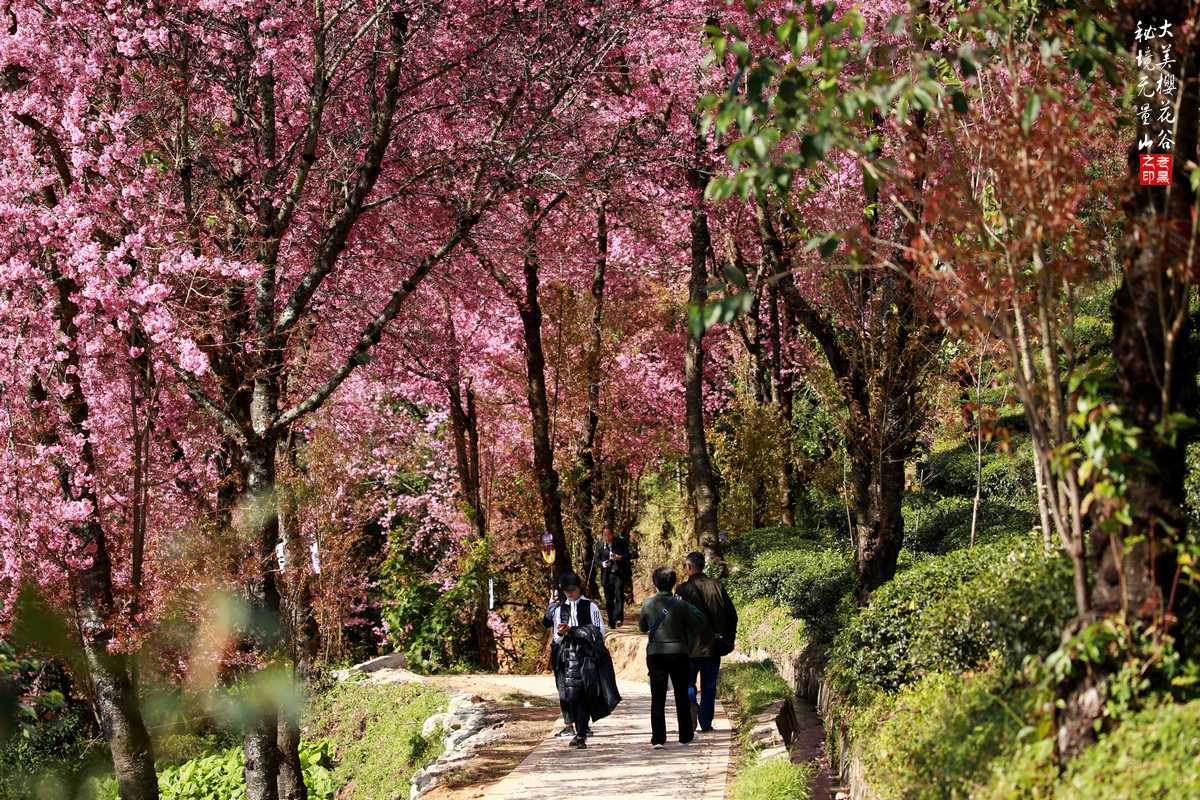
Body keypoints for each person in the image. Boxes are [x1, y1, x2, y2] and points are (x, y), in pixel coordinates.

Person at [638, 566, 707, 748]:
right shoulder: (680, 604)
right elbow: (694, 625)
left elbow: (642, 628)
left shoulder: (647, 604)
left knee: (657, 697)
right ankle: (685, 736)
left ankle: (658, 739)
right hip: (679, 653)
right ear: (673, 584)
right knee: (681, 695)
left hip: (656, 655)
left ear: (655, 583)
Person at [675, 551, 737, 734]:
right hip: (713, 647)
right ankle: (705, 723)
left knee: (687, 682)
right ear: (703, 566)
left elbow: (676, 618)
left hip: (690, 648)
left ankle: (692, 703)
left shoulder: (683, 590)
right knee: (709, 686)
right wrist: (730, 638)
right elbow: (732, 614)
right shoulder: (717, 585)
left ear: (688, 567)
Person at [542, 571, 604, 746]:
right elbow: (557, 638)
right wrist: (562, 632)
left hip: (586, 656)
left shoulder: (590, 606)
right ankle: (579, 732)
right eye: (567, 590)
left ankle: (581, 735)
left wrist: (573, 630)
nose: (570, 593)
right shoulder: (559, 609)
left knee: (583, 694)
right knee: (572, 695)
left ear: (580, 588)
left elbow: (600, 632)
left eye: (573, 590)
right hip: (567, 657)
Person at [593, 525, 631, 628]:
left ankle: (618, 619)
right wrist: (603, 564)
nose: (607, 537)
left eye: (609, 535)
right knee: (609, 599)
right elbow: (597, 559)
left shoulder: (621, 543)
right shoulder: (600, 545)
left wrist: (620, 558)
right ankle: (611, 621)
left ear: (613, 534)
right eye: (605, 535)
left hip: (619, 573)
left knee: (619, 595)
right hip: (607, 574)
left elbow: (628, 555)